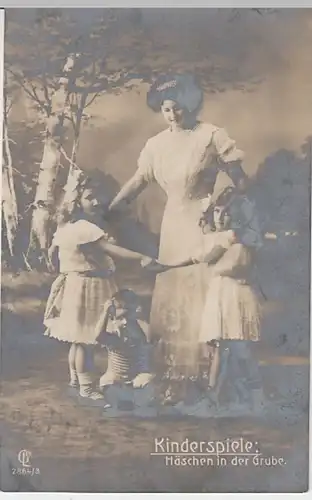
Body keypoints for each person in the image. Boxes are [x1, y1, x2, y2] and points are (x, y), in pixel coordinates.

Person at [108, 73, 248, 402]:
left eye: (177, 108)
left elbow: (241, 182)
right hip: (173, 226)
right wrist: (109, 209)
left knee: (200, 293)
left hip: (202, 225)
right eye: (165, 109)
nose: (172, 115)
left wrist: (222, 205)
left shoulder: (212, 136)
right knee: (172, 293)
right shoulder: (156, 144)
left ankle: (207, 376)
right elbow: (140, 179)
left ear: (190, 103)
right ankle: (172, 375)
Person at [44, 178, 164, 406]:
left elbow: (53, 253)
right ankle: (86, 388)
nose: (97, 202)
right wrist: (141, 257)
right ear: (76, 201)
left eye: (99, 197)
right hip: (89, 288)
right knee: (86, 339)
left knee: (77, 339)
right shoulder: (85, 229)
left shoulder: (66, 228)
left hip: (75, 285)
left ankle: (75, 380)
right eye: (89, 197)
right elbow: (111, 250)